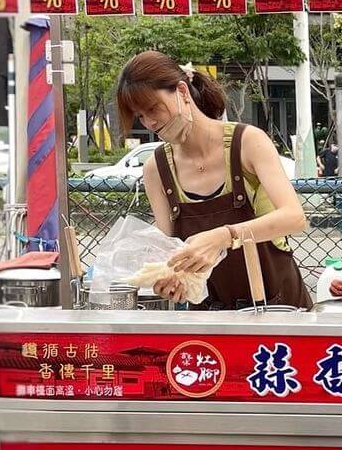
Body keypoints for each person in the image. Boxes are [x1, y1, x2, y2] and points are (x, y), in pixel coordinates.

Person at [116, 51, 312, 309]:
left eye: (153, 108)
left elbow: (294, 217)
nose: (150, 122)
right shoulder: (156, 168)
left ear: (182, 92)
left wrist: (225, 236)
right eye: (140, 116)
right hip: (210, 321)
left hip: (279, 312)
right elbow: (168, 252)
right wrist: (172, 280)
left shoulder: (248, 142)